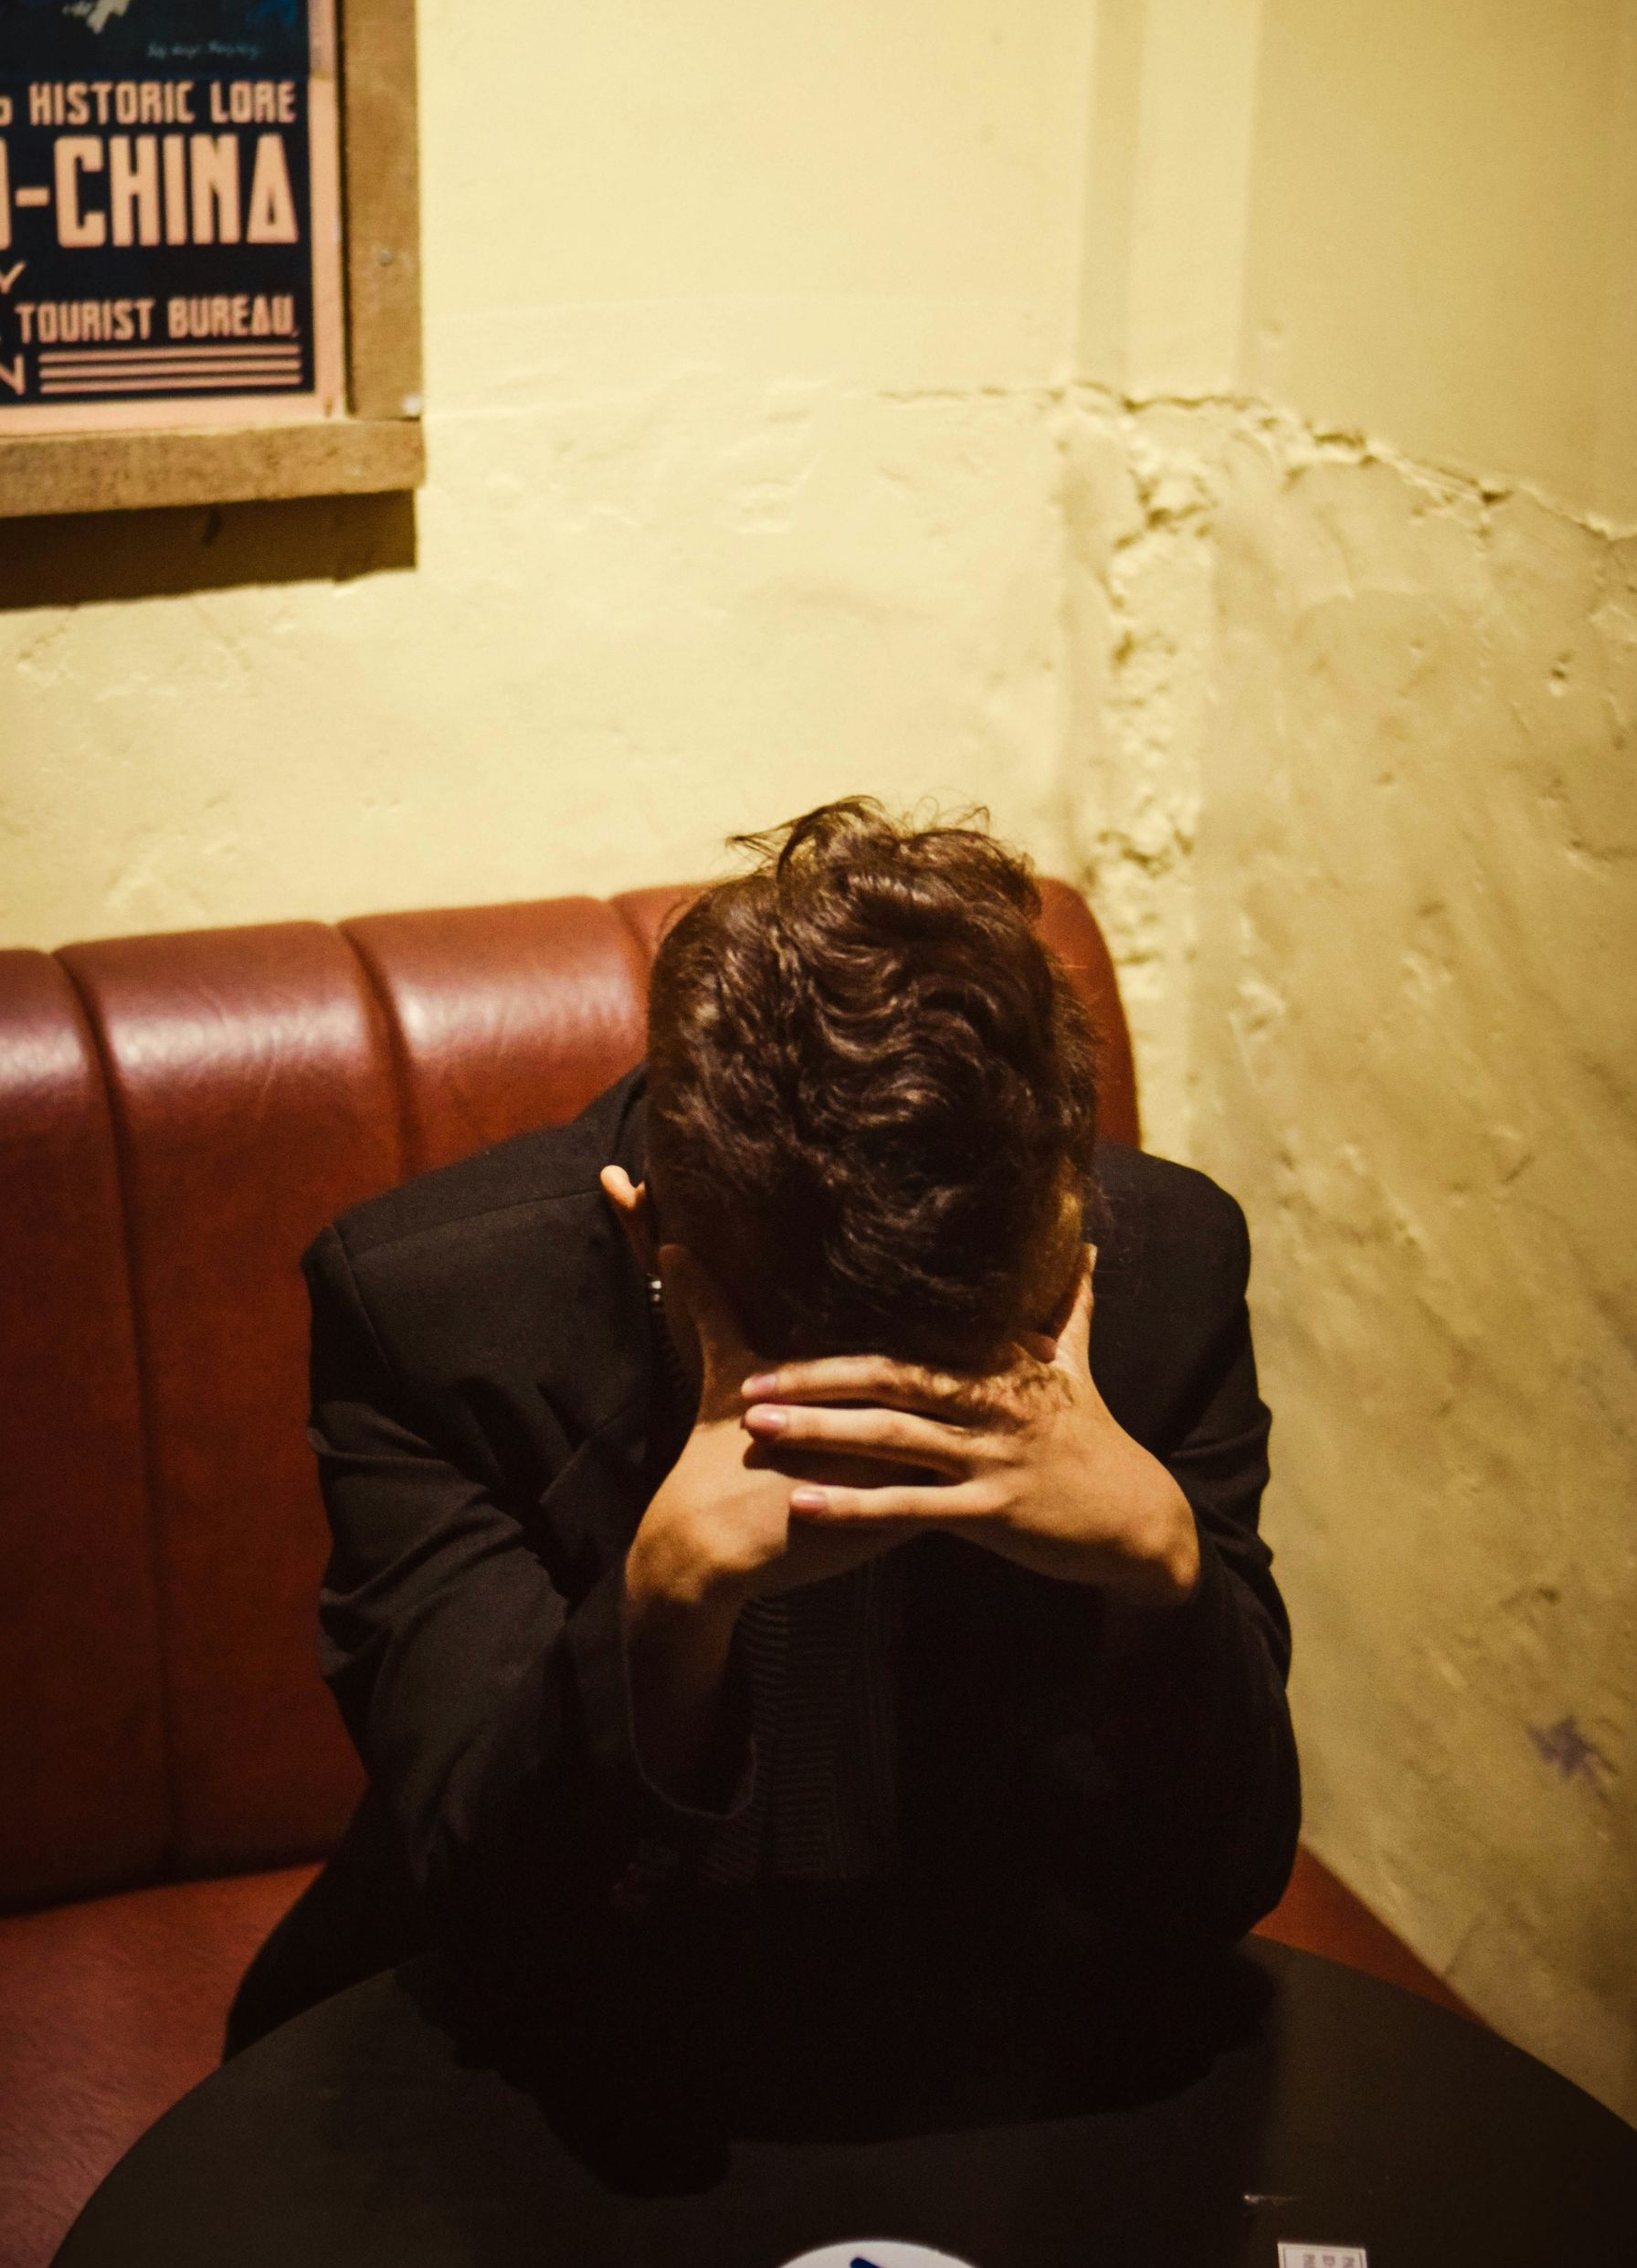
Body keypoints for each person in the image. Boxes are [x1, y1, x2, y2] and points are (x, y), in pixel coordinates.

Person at [226, 800, 1299, 2131]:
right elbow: (486, 1910)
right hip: (555, 2060)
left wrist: (1160, 1572)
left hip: (1008, 2044)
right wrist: (663, 1606)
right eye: (826, 1355)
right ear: (645, 1226)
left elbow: (1217, 1883)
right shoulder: (433, 1316)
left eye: (959, 1356)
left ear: (1065, 1201)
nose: (885, 1419)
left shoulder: (1163, 1265)